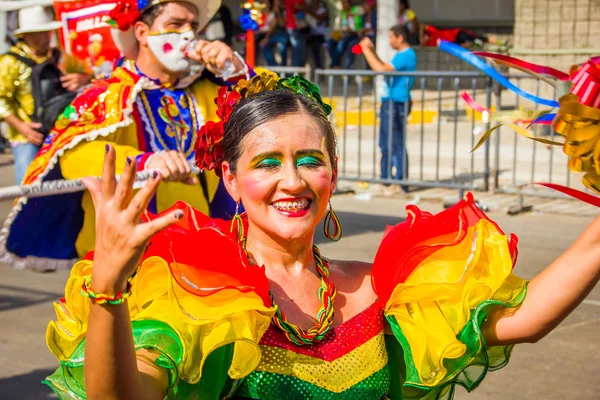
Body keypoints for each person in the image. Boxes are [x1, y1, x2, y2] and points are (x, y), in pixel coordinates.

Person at [42, 73, 600, 400]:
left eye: (310, 160)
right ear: (230, 181)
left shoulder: (380, 289)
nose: (292, 181)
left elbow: (525, 319)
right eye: (268, 163)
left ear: (332, 172)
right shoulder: (194, 295)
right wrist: (109, 290)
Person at [0, 0, 251, 271]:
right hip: (129, 262)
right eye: (176, 25)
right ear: (142, 33)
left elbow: (274, 112)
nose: (188, 35)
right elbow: (73, 155)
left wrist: (234, 68)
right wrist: (142, 163)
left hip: (201, 251)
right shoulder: (105, 95)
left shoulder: (208, 90)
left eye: (193, 26)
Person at [0, 6, 89, 184]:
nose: (47, 37)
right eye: (40, 33)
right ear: (26, 36)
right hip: (27, 137)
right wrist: (21, 127)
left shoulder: (61, 57)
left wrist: (83, 79)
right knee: (29, 189)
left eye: (47, 32)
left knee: (69, 187)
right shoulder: (9, 62)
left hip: (60, 132)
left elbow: (90, 74)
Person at [360, 24, 416, 192]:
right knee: (386, 142)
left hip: (396, 103)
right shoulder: (401, 55)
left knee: (395, 142)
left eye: (391, 37)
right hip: (390, 102)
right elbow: (384, 65)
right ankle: (386, 178)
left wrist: (366, 50)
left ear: (400, 37)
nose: (390, 40)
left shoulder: (407, 54)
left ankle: (400, 181)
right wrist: (372, 50)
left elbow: (381, 69)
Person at [327, 0, 363, 69]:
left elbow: (358, 27)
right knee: (330, 42)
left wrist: (352, 29)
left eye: (344, 3)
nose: (343, 5)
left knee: (341, 44)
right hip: (345, 35)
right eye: (342, 3)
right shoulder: (343, 13)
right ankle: (335, 63)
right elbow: (343, 26)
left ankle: (335, 65)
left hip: (354, 35)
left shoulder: (356, 10)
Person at [257, 0, 289, 66]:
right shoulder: (264, 12)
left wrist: (278, 12)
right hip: (270, 35)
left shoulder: (284, 11)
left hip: (282, 35)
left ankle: (283, 66)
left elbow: (282, 24)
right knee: (263, 45)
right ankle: (274, 66)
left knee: (282, 45)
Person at [420, 24, 498, 48]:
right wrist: (423, 40)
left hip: (455, 34)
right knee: (465, 45)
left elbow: (422, 25)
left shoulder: (432, 31)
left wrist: (421, 36)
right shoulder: (429, 44)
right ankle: (476, 44)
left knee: (476, 37)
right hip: (453, 44)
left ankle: (496, 41)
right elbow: (421, 46)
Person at [305, 0, 330, 69]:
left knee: (315, 47)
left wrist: (308, 11)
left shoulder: (323, 10)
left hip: (321, 36)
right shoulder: (308, 11)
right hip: (311, 36)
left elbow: (319, 19)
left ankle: (319, 68)